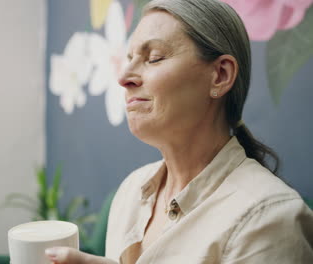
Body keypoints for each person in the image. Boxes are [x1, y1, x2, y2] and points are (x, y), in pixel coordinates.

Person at [45, 0, 313, 263]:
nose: (124, 77)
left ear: (220, 75)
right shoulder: (130, 192)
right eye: (129, 59)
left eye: (154, 58)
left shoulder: (270, 218)